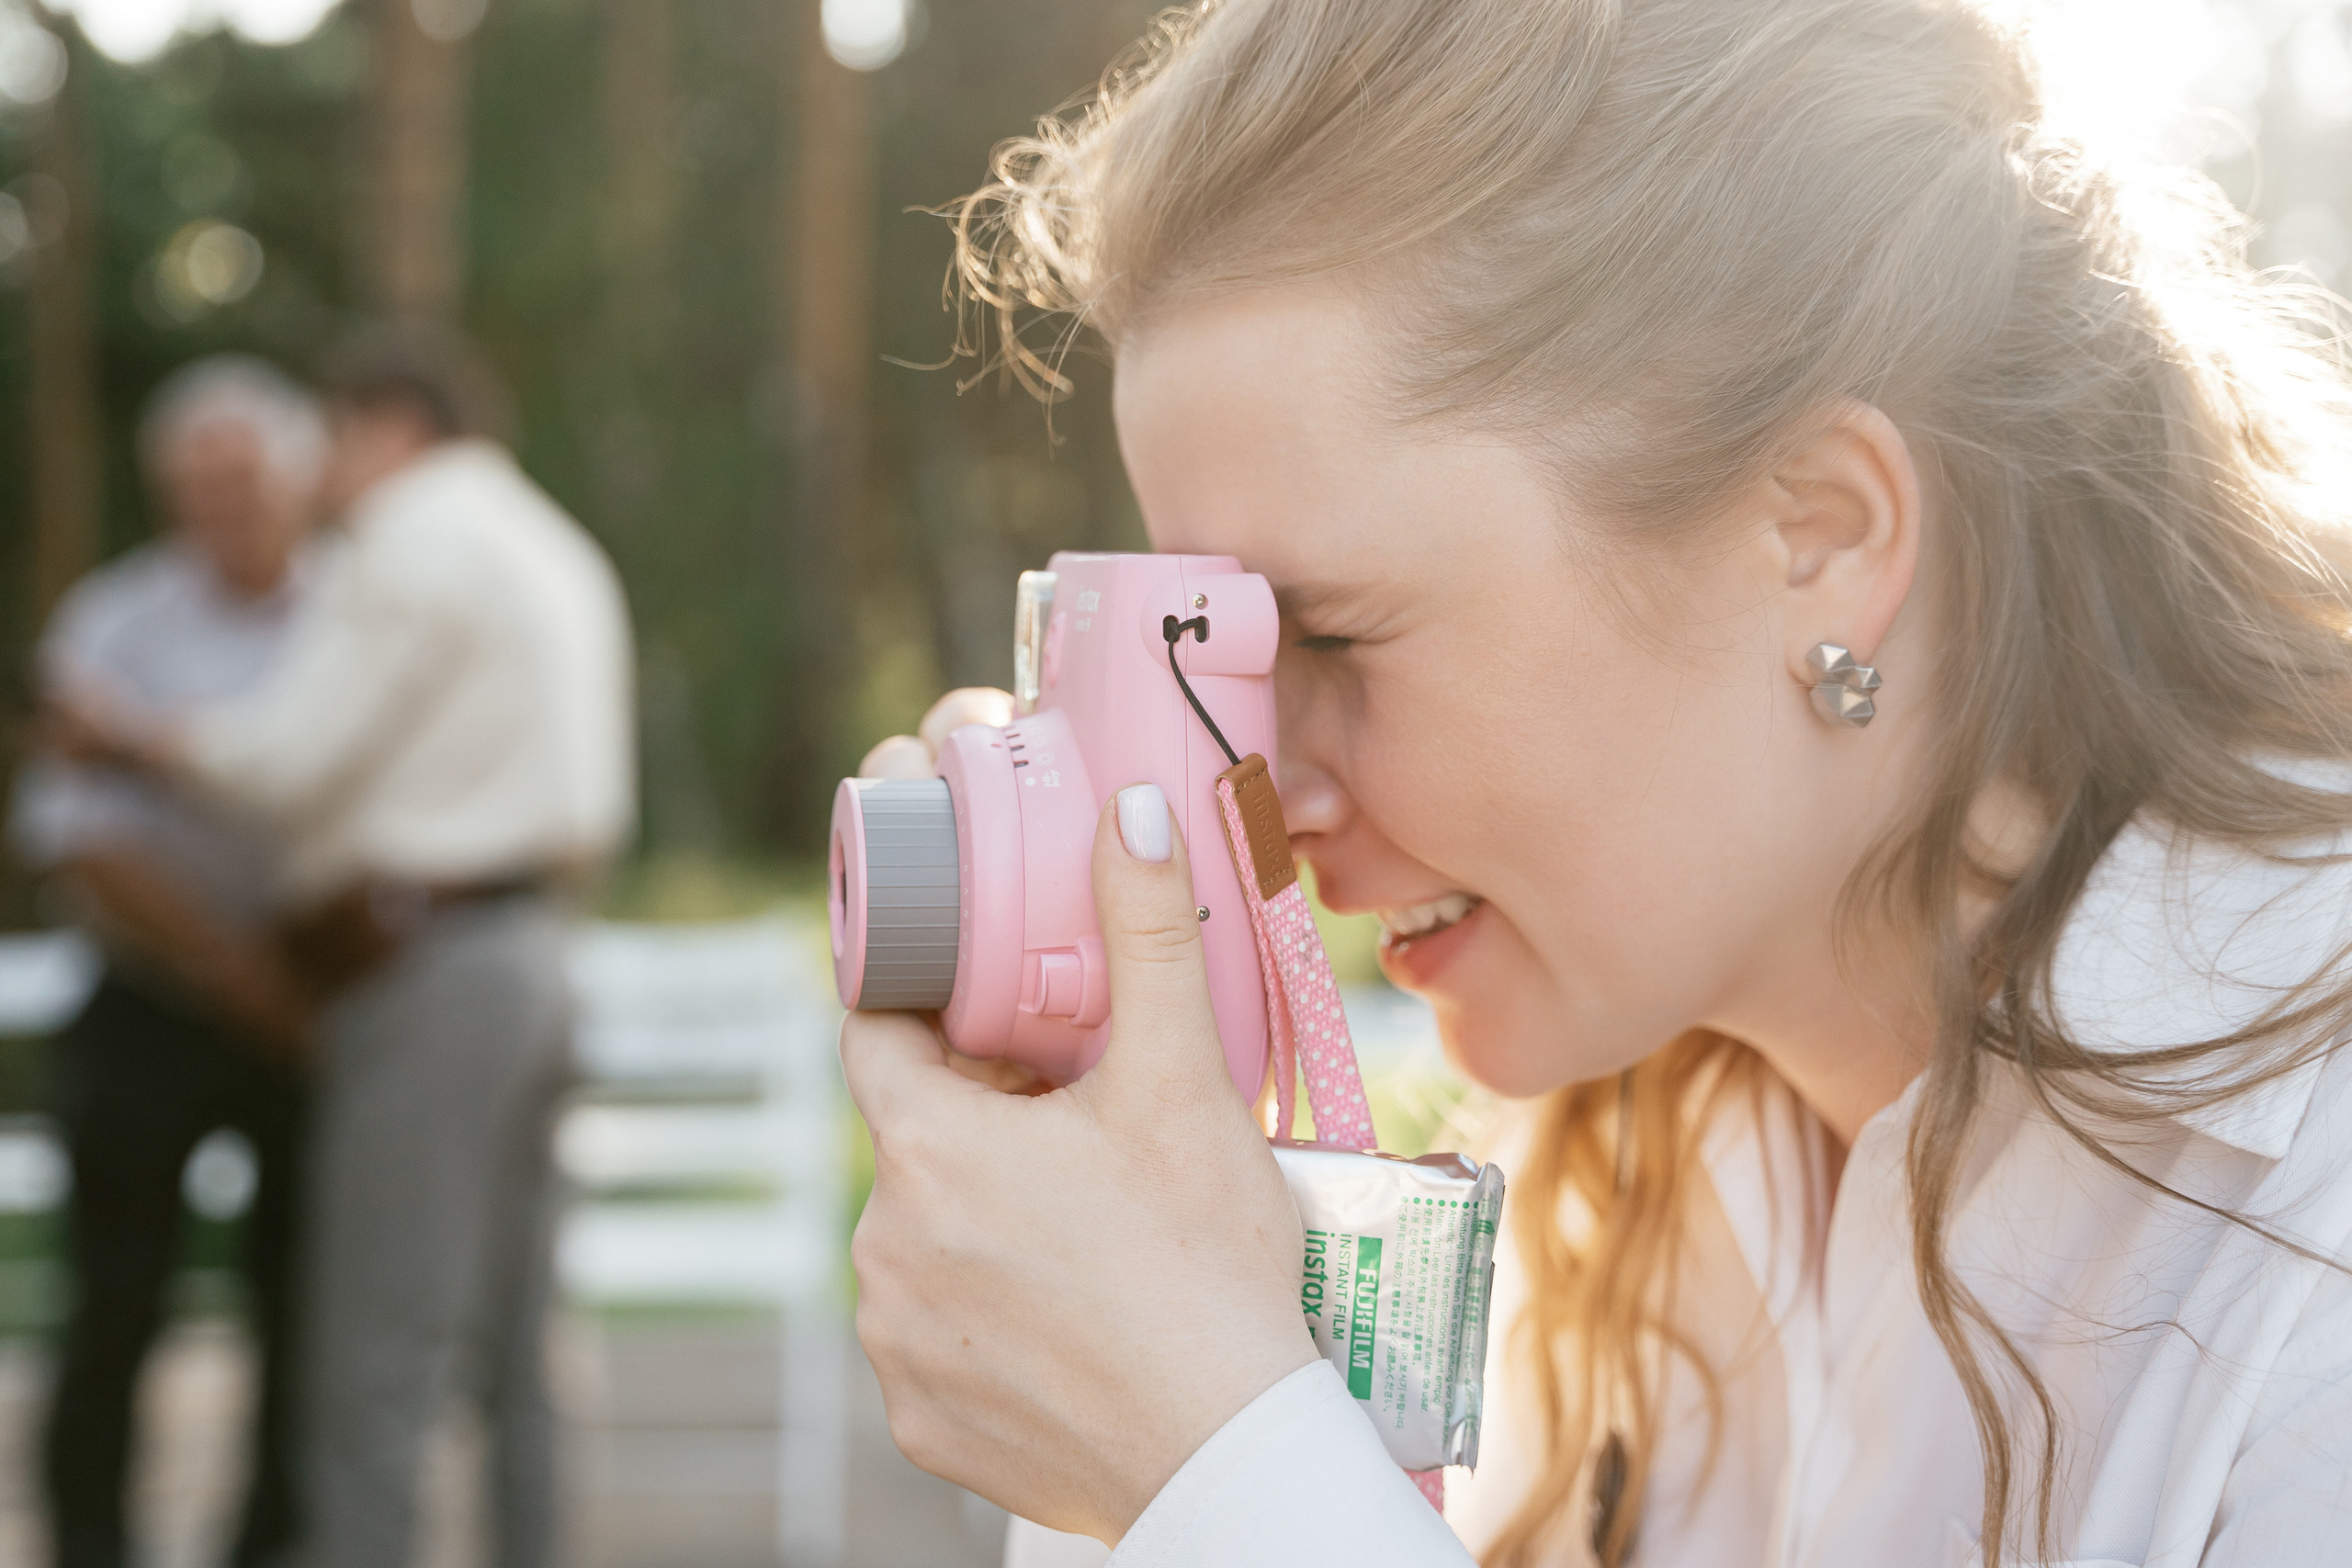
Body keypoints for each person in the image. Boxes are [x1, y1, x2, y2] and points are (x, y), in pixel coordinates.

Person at [839, 3, 2352, 1566]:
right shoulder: (1614, 1207)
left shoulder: (2311, 1232)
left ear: (1819, 536)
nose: (1260, 788)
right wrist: (1139, 1315)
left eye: (1336, 635)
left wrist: (1215, 1464)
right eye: (1211, 659)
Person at [51, 324, 635, 1568]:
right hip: (538, 956)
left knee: (373, 1359)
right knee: (522, 1348)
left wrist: (138, 742)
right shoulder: (551, 543)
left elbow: (290, 760)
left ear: (384, 428)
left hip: (427, 974)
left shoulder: (410, 541)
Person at [15, 356, 326, 1568]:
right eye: (192, 482)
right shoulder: (113, 619)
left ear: (296, 481)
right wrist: (236, 969)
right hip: (152, 1003)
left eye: (240, 477)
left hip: (314, 1005)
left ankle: (272, 1550)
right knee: (111, 1312)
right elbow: (72, 838)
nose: (218, 504)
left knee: (301, 1313)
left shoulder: (359, 617)